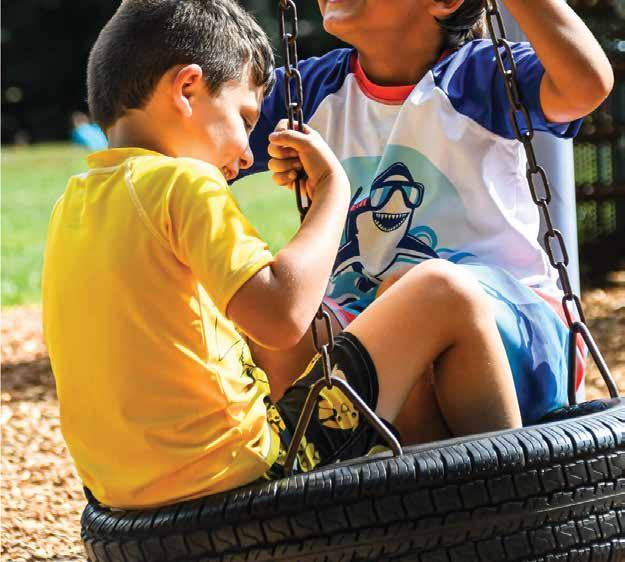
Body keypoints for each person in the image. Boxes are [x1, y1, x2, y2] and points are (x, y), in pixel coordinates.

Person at [42, 0, 521, 510]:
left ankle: (450, 502)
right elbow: (281, 317)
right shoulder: (182, 183)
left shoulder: (72, 204)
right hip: (238, 469)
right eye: (245, 118)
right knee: (442, 291)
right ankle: (518, 502)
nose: (247, 153)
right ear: (187, 89)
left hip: (122, 492)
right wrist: (333, 191)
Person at [242, 0, 614, 443]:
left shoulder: (481, 77)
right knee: (277, 325)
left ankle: (508, 478)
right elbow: (198, 129)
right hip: (374, 333)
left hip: (514, 335)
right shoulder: (310, 92)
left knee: (420, 289)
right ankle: (327, 474)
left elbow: (585, 85)